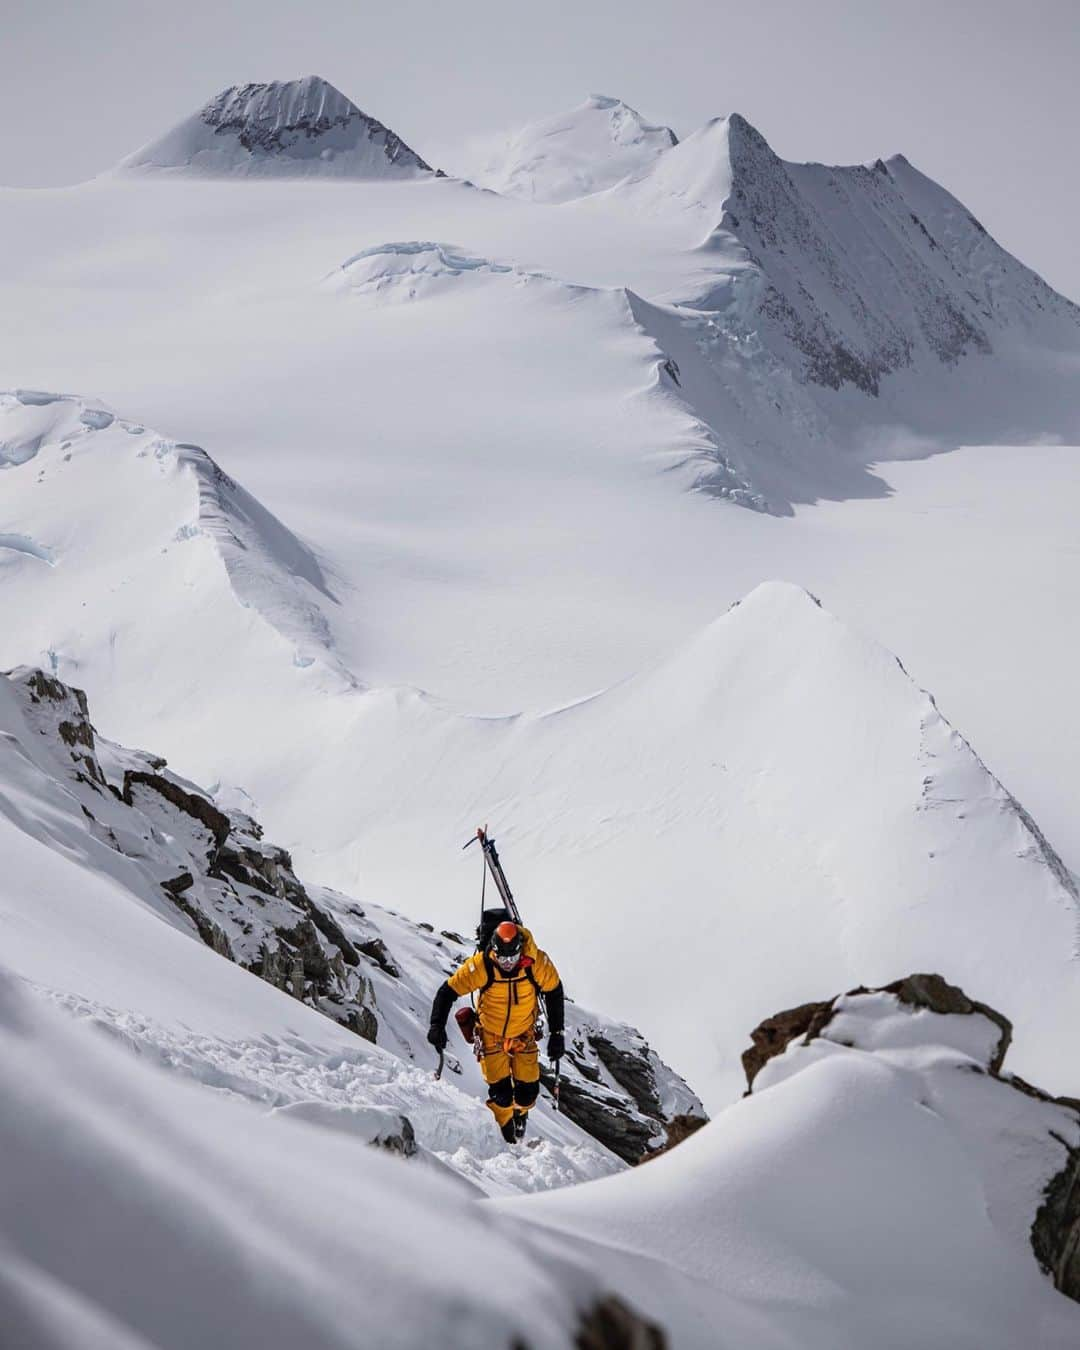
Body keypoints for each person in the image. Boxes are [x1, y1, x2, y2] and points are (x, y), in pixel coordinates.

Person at [427, 918, 565, 1144]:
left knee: (528, 1092)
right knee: (500, 1094)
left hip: (524, 1034)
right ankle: (506, 1140)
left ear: (520, 950)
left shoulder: (535, 962)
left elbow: (554, 991)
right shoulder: (482, 965)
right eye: (502, 958)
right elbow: (448, 991)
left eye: (512, 957)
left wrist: (558, 1034)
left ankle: (520, 1113)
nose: (508, 963)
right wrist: (436, 1025)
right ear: (494, 951)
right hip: (491, 1036)